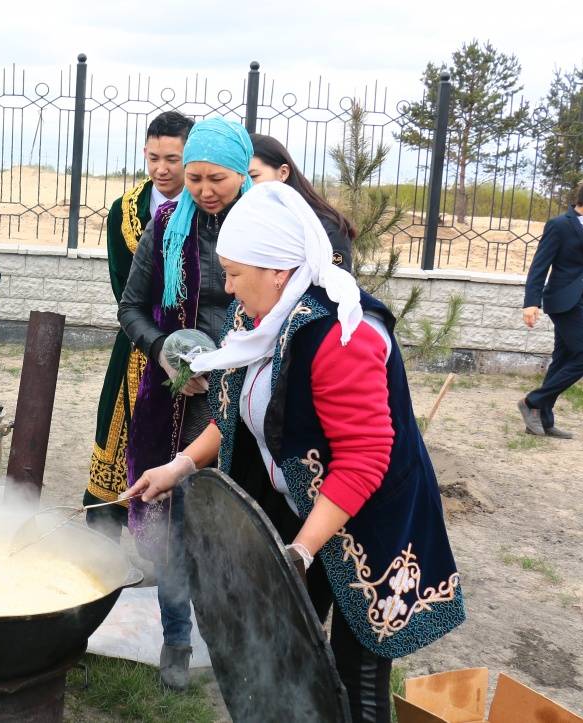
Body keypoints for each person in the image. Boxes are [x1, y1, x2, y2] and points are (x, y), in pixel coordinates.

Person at [126, 181, 465, 723]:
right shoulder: (260, 320)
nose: (228, 289)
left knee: (359, 678)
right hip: (306, 511)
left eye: (234, 274)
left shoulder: (340, 336)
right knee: (290, 654)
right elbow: (234, 410)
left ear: (278, 272)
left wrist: (300, 553)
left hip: (368, 520)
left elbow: (364, 459)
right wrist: (179, 465)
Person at [117, 117, 251, 689]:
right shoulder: (168, 225)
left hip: (249, 397)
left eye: (216, 177)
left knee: (233, 524)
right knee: (173, 521)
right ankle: (175, 635)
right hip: (180, 400)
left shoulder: (266, 228)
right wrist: (167, 352)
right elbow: (131, 309)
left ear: (244, 173)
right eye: (193, 177)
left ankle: (233, 642)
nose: (202, 189)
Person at [85, 111, 193, 539]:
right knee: (116, 434)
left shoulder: (205, 208)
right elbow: (122, 287)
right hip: (136, 342)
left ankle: (163, 542)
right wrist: (152, 336)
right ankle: (105, 532)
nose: (162, 168)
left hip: (194, 347)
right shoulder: (125, 210)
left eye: (172, 158)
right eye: (153, 158)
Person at [519, 173, 583, 439]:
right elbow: (539, 266)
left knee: (562, 359)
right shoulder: (559, 225)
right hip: (563, 300)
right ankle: (531, 402)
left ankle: (544, 419)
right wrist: (531, 303)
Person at [249, 133, 355, 270]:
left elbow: (334, 286)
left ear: (283, 172)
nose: (246, 184)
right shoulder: (243, 219)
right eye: (240, 176)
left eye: (253, 176)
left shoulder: (326, 228)